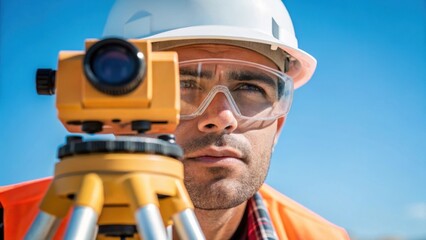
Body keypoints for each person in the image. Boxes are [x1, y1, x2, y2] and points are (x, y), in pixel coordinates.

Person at [0, 0, 350, 239]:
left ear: (279, 124)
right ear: (114, 96)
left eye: (249, 87)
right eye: (183, 84)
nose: (221, 118)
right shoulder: (10, 221)